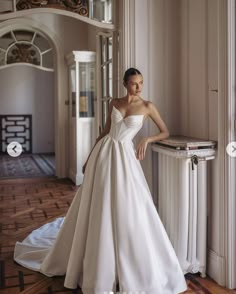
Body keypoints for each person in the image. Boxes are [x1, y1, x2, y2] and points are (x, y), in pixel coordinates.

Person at [14, 68, 188, 294]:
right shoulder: (114, 103)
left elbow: (165, 131)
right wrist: (87, 159)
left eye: (141, 83)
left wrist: (147, 138)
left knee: (129, 204)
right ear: (125, 83)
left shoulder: (148, 106)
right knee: (99, 203)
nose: (139, 87)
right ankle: (94, 255)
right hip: (104, 155)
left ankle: (126, 262)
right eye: (134, 83)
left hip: (125, 159)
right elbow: (105, 133)